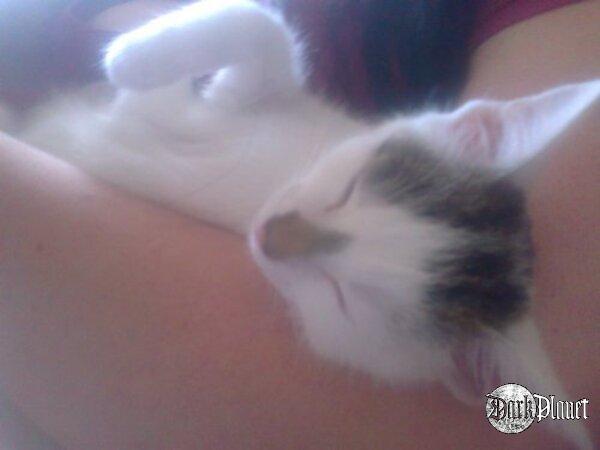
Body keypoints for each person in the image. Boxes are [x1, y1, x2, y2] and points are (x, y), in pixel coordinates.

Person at [0, 1, 598, 448]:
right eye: (343, 194)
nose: (284, 240)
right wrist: (246, 36)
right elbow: (252, 85)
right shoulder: (350, 143)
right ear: (465, 128)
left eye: (341, 296)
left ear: (459, 373)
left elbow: (526, 424)